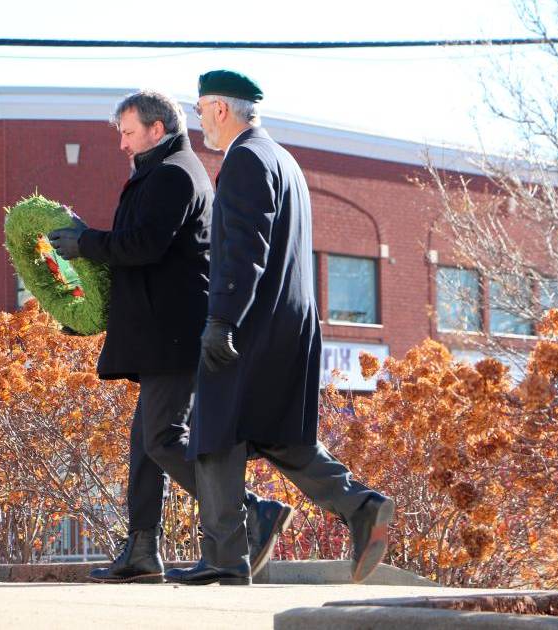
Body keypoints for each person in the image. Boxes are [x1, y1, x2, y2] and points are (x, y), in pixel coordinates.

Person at [47, 90, 292, 583]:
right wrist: (88, 309)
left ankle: (250, 512)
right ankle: (142, 550)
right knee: (145, 445)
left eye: (128, 132)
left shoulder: (175, 174)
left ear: (157, 129)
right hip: (159, 333)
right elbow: (138, 259)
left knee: (162, 437)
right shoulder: (157, 172)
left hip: (175, 335)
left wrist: (85, 242)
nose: (121, 143)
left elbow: (143, 245)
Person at [165, 72, 395, 587]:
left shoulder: (244, 159)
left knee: (214, 432)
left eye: (202, 109)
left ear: (222, 109)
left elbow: (247, 249)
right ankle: (361, 506)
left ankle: (225, 554)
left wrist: (221, 318)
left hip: (249, 323)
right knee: (276, 435)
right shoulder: (282, 158)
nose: (200, 118)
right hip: (287, 322)